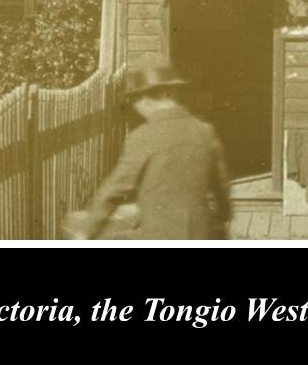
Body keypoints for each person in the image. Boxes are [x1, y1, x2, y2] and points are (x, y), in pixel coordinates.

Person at [64, 65, 231, 240]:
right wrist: (222, 217)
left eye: (133, 101)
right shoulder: (205, 131)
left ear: (144, 99)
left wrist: (86, 231)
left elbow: (116, 188)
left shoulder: (143, 137)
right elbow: (222, 186)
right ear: (173, 93)